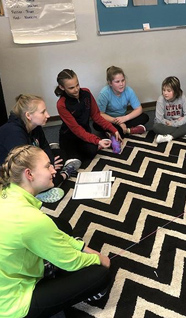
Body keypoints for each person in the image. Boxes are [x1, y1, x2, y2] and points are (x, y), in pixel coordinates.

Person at [0, 145, 111, 318]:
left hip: (8, 275)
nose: (54, 170)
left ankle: (50, 264)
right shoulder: (31, 220)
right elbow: (72, 261)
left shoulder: (7, 193)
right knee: (99, 274)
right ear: (29, 174)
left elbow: (49, 232)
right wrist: (98, 258)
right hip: (12, 304)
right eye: (47, 166)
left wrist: (82, 246)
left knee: (62, 226)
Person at [0, 94, 81, 203]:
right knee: (49, 180)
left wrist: (50, 163)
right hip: (13, 174)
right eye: (43, 112)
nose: (47, 115)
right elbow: (25, 165)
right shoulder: (13, 133)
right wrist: (49, 168)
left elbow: (45, 146)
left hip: (31, 160)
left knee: (60, 154)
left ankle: (48, 177)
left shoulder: (35, 125)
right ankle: (64, 175)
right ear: (28, 115)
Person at [55, 69, 121, 164]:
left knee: (91, 151)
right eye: (71, 88)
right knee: (74, 159)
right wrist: (98, 141)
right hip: (70, 137)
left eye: (77, 84)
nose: (76, 89)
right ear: (62, 87)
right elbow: (76, 129)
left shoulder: (86, 93)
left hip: (85, 132)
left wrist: (113, 129)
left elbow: (96, 116)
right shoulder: (61, 104)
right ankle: (58, 148)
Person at [96, 65, 149, 137]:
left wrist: (124, 118)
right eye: (117, 82)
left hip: (123, 119)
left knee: (145, 117)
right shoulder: (104, 93)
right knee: (96, 124)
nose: (121, 84)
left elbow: (139, 109)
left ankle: (117, 132)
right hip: (111, 120)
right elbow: (100, 114)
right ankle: (128, 130)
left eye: (123, 80)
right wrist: (118, 122)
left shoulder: (129, 91)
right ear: (110, 83)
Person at [152, 76, 186, 143]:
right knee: (156, 127)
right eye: (164, 90)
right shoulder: (161, 99)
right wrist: (171, 123)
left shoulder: (181, 96)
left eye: (169, 91)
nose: (165, 93)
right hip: (167, 125)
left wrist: (175, 123)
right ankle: (184, 133)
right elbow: (159, 119)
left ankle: (170, 137)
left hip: (178, 123)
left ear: (176, 91)